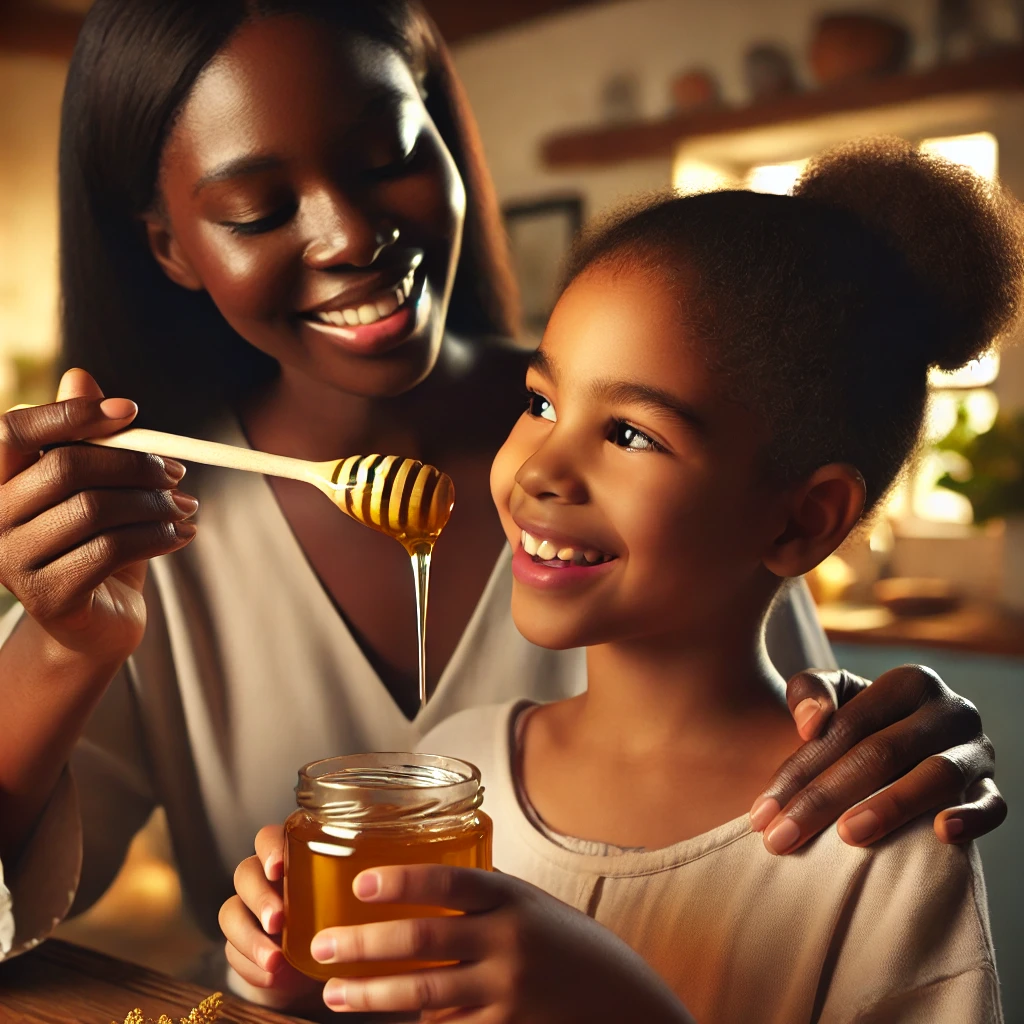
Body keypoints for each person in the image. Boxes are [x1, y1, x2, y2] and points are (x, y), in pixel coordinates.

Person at [0, 0, 1004, 991]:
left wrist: (906, 738)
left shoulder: (718, 459)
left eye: (386, 153)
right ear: (169, 246)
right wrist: (58, 647)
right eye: (258, 210)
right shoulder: (143, 526)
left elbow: (802, 772)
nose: (350, 235)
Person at [229, 138, 1020, 1021]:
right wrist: (307, 976)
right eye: (541, 404)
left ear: (802, 519)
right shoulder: (459, 769)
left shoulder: (881, 836)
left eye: (631, 435)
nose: (539, 470)